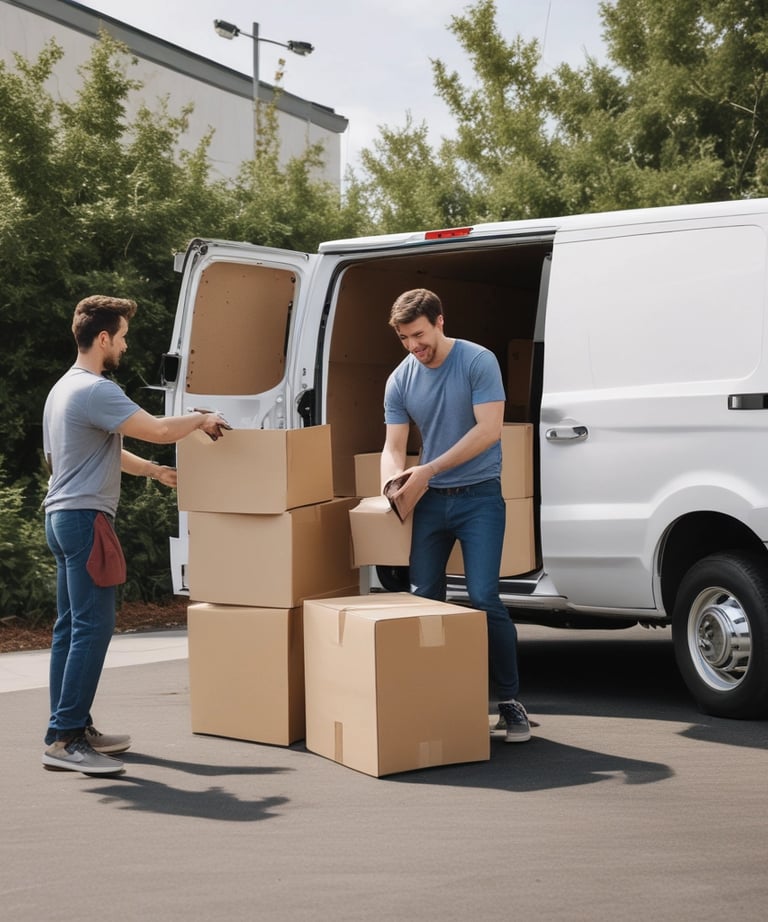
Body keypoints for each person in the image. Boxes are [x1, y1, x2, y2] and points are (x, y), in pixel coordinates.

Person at [41, 294, 228, 776]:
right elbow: (162, 429)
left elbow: (96, 452)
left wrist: (154, 473)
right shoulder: (96, 389)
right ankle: (65, 740)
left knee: (70, 628)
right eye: (122, 336)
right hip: (86, 521)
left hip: (61, 518)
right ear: (102, 338)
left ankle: (69, 726)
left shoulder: (63, 389)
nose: (125, 343)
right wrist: (202, 418)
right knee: (93, 628)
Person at [381, 288, 531, 742]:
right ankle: (435, 701)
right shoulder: (400, 379)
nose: (413, 346)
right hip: (428, 502)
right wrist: (392, 486)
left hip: (480, 497)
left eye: (419, 335)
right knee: (424, 601)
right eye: (405, 338)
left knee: (484, 599)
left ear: (440, 322)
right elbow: (392, 446)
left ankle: (509, 702)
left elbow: (488, 432)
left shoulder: (477, 361)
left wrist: (427, 469)